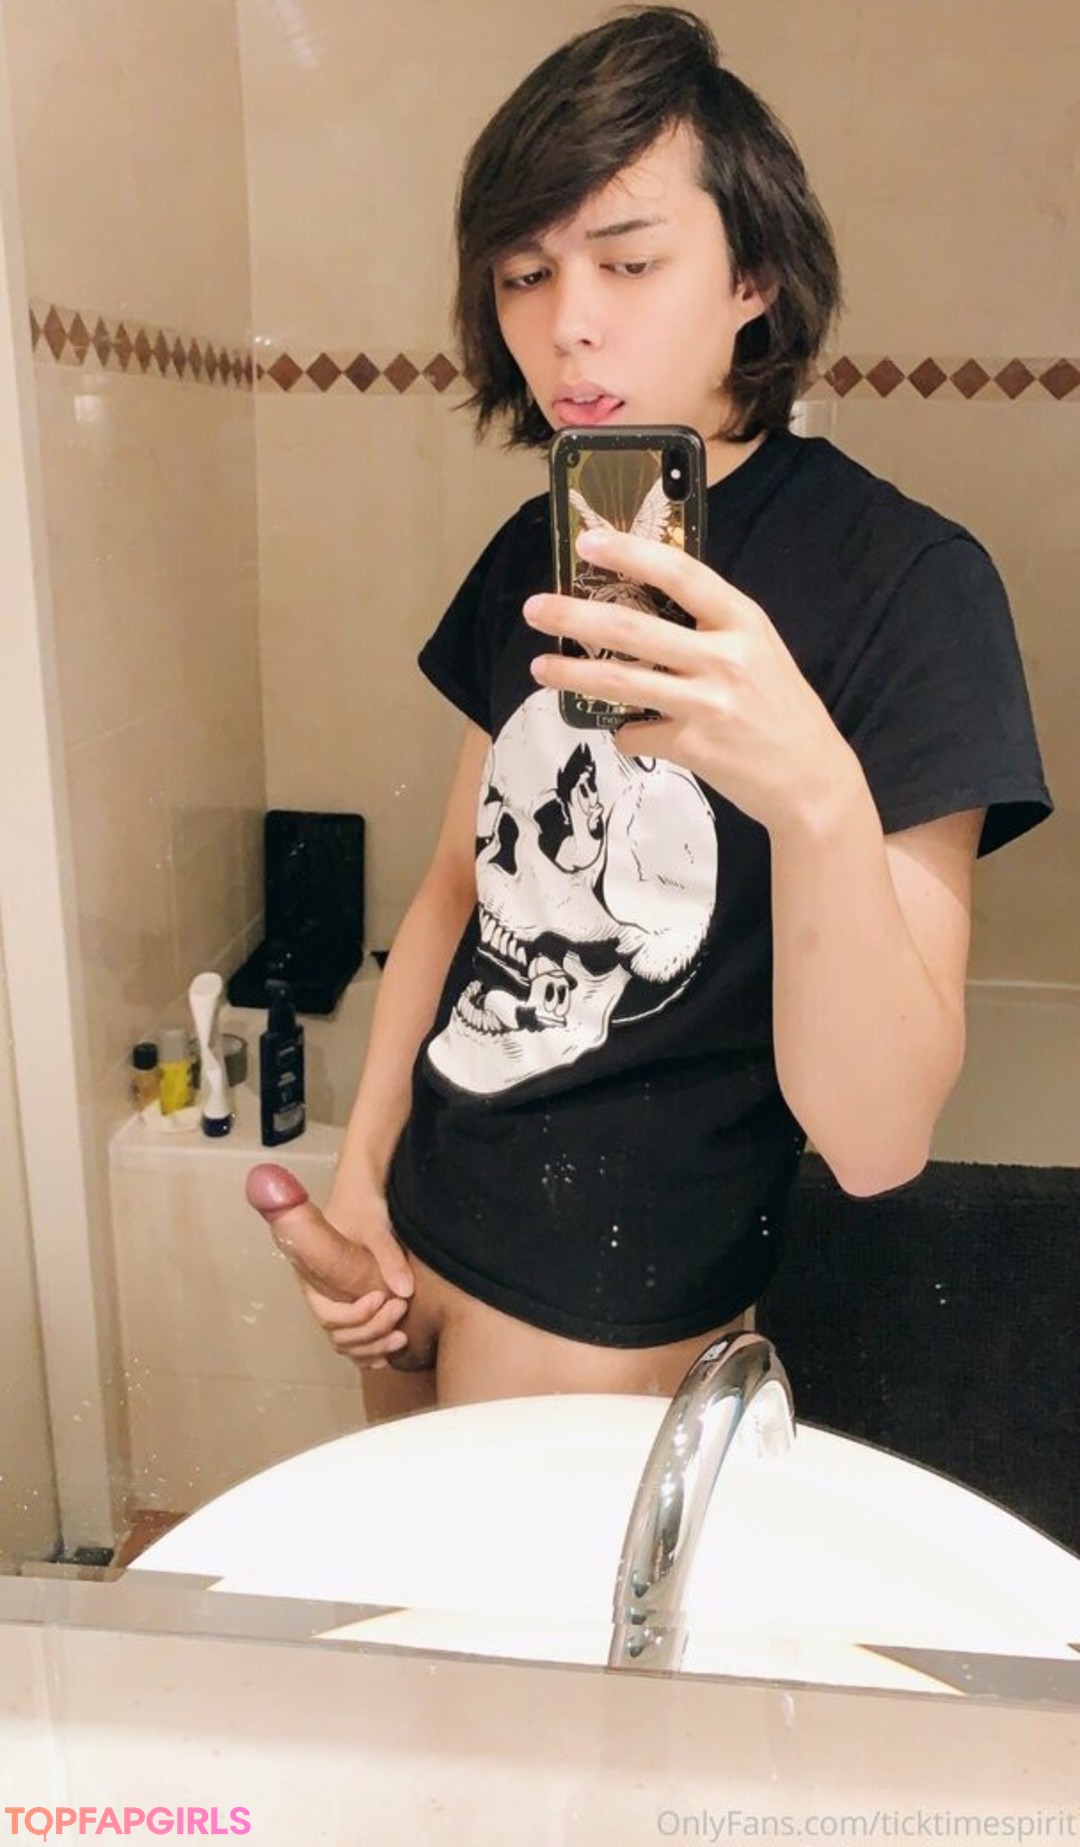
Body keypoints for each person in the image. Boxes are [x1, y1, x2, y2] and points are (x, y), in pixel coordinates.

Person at [247, 6, 1051, 1420]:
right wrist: (363, 1172)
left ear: (752, 276)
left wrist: (813, 791)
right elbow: (456, 890)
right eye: (523, 274)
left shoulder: (910, 586)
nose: (567, 322)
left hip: (612, 1304)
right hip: (420, 1232)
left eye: (628, 261)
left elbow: (876, 1144)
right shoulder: (538, 548)